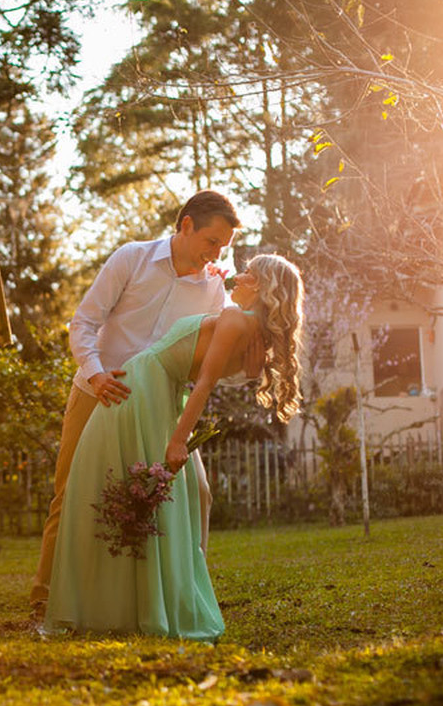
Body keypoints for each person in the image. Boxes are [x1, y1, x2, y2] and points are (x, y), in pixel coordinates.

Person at [43, 254, 304, 638]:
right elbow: (205, 376)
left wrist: (178, 441)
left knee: (138, 498)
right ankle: (133, 605)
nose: (239, 275)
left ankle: (137, 606)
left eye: (249, 272)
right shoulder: (246, 327)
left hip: (151, 390)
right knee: (129, 495)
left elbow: (205, 382)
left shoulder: (235, 320)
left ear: (263, 286)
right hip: (144, 388)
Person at [28, 190, 258, 622]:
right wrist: (96, 374)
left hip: (160, 403)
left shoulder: (212, 287)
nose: (216, 253)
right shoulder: (131, 258)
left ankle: (186, 594)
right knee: (71, 491)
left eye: (223, 247)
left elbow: (208, 357)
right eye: (211, 241)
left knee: (198, 493)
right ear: (185, 225)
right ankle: (45, 597)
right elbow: (84, 322)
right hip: (102, 388)